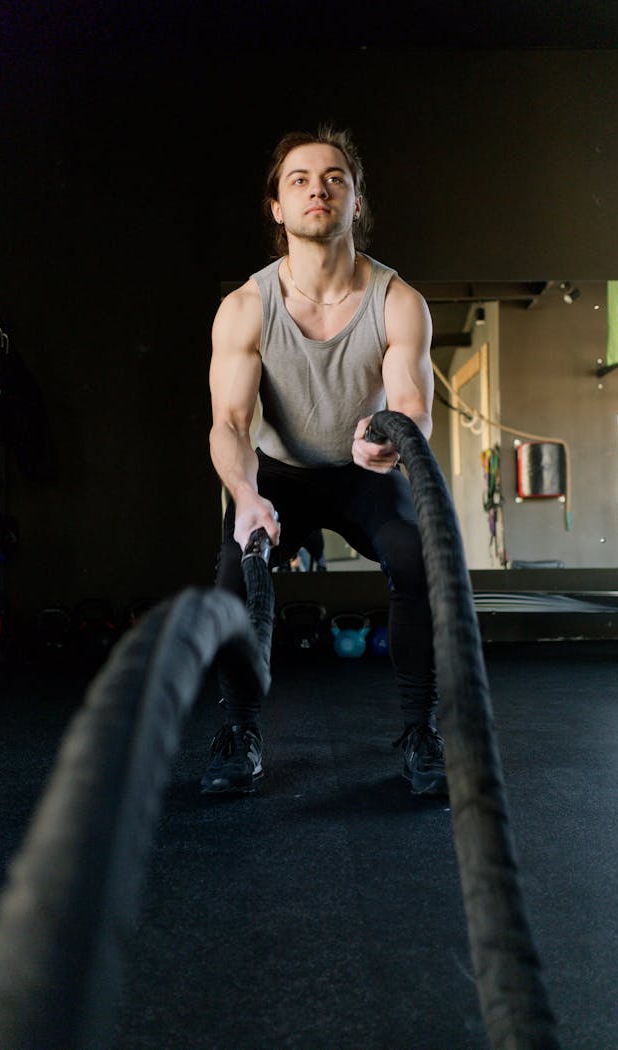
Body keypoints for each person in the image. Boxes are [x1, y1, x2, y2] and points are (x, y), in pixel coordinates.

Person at [202, 123, 446, 798]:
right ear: (276, 208)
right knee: (232, 578)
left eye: (335, 178)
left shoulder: (398, 301)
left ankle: (421, 732)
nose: (319, 190)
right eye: (300, 180)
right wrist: (246, 499)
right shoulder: (246, 307)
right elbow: (228, 423)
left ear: (356, 201)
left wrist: (391, 437)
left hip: (363, 470)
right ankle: (241, 733)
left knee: (415, 560)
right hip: (276, 474)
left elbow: (413, 406)